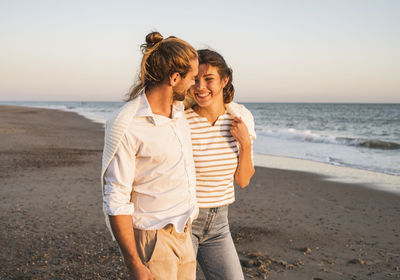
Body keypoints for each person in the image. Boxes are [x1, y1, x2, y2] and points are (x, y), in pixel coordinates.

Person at [101, 31, 199, 280]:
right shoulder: (128, 124)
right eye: (192, 78)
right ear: (175, 78)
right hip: (153, 241)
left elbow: (216, 101)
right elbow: (116, 198)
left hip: (185, 234)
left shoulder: (178, 113)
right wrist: (134, 264)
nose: (195, 86)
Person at [185, 49, 256, 280]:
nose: (200, 86)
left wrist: (245, 143)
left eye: (208, 79)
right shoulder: (181, 121)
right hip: (184, 223)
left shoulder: (239, 120)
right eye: (195, 79)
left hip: (219, 224)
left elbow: (243, 181)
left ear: (224, 80)